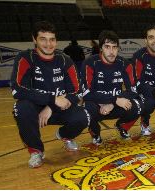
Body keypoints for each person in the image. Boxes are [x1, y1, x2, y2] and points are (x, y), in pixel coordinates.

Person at [10, 21, 90, 168]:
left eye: (52, 39)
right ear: (34, 39)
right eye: (43, 39)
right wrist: (51, 99)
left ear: (56, 40)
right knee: (21, 108)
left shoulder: (65, 60)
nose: (48, 44)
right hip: (35, 108)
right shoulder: (25, 58)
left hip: (58, 108)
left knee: (84, 115)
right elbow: (17, 89)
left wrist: (51, 106)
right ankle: (36, 151)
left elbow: (77, 91)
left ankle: (65, 135)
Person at [80, 30, 143, 145]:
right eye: (107, 47)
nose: (111, 51)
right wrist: (113, 100)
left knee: (140, 104)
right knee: (87, 107)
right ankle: (96, 134)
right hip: (98, 105)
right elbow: (86, 93)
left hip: (115, 104)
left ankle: (122, 126)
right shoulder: (90, 63)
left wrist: (113, 102)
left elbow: (133, 90)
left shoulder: (125, 64)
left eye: (114, 47)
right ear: (100, 48)